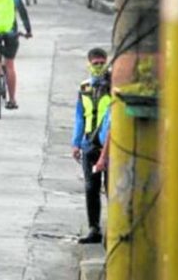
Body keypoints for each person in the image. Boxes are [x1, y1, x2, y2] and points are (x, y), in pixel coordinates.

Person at [71, 48, 112, 244]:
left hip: (109, 144)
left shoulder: (112, 87)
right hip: (89, 143)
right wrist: (75, 143)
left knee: (111, 187)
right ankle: (94, 228)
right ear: (89, 64)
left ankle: (114, 227)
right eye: (95, 63)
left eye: (101, 63)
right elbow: (79, 116)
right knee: (91, 188)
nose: (98, 66)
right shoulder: (84, 88)